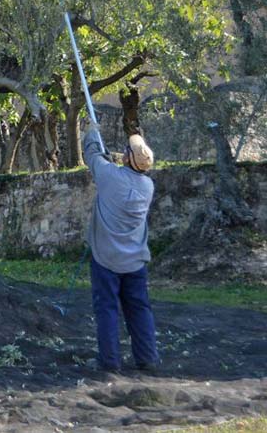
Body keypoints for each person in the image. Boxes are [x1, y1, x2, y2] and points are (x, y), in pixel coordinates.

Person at [82, 120, 159, 372]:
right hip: (135, 260)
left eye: (127, 150)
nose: (125, 151)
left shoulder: (110, 176)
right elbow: (113, 171)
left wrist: (92, 129)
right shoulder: (147, 186)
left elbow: (92, 155)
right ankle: (147, 358)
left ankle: (109, 362)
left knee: (107, 309)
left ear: (127, 158)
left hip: (106, 259)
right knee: (139, 309)